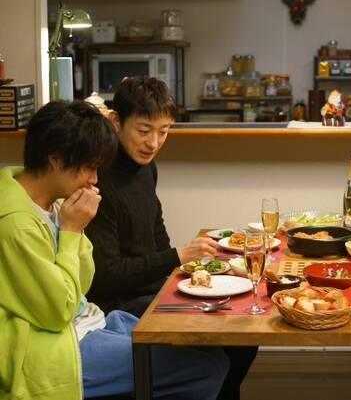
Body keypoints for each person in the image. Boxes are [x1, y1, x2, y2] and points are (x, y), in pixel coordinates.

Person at [0, 101, 229, 400]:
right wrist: (71, 231)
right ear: (55, 160)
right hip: (52, 348)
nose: (95, 179)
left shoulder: (52, 201)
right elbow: (57, 312)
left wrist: (75, 229)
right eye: (89, 167)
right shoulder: (16, 224)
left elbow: (82, 283)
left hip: (87, 321)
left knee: (213, 352)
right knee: (206, 369)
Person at [84, 77, 257, 400]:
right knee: (230, 337)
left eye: (164, 131)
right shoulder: (98, 180)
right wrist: (177, 257)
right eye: (144, 130)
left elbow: (157, 235)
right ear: (116, 121)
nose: (153, 143)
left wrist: (196, 270)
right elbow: (105, 277)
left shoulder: (146, 168)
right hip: (119, 305)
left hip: (152, 290)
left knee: (243, 330)